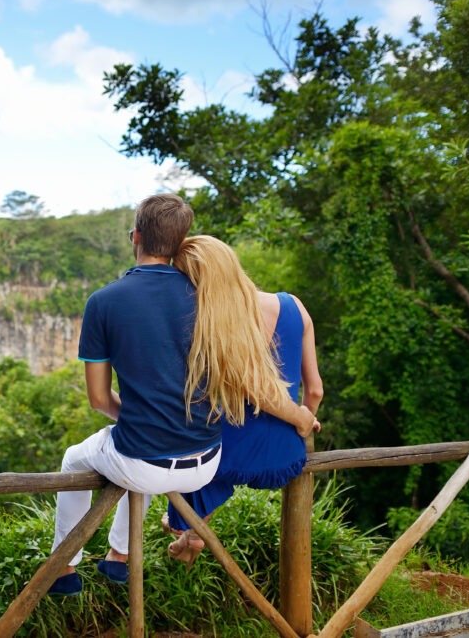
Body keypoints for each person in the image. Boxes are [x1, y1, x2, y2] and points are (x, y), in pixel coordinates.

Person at [47, 197, 316, 597]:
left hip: (149, 462)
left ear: (135, 237)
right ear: (181, 241)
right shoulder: (208, 297)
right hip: (207, 460)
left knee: (77, 458)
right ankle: (118, 557)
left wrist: (141, 417)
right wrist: (298, 415)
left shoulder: (103, 301)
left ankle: (63, 569)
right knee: (136, 453)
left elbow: (100, 400)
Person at [162, 235, 324, 566]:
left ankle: (186, 525)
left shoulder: (210, 322)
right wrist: (303, 426)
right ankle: (189, 530)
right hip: (287, 458)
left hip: (229, 456)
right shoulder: (293, 305)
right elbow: (316, 391)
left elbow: (255, 390)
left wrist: (298, 418)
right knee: (210, 456)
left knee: (190, 450)